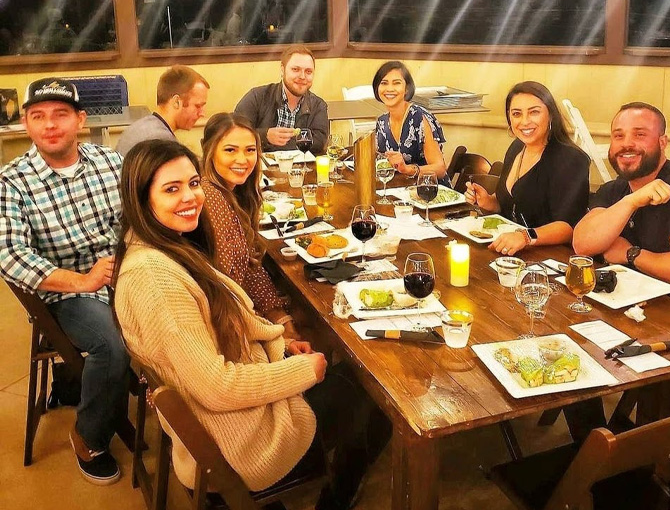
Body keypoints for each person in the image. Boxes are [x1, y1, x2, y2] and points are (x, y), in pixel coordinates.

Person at [113, 140, 391, 509]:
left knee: (355, 374)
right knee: (377, 388)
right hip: (243, 440)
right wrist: (302, 372)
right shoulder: (154, 278)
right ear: (140, 199)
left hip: (233, 417)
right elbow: (216, 387)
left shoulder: (165, 246)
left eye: (193, 183)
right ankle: (337, 497)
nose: (190, 197)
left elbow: (226, 323)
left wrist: (281, 344)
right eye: (171, 189)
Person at [0, 78, 129, 485]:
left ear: (81, 120)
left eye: (60, 114)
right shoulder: (11, 182)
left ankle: (181, 413)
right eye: (38, 116)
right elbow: (9, 255)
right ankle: (89, 436)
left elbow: (137, 216)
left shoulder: (110, 161)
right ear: (26, 124)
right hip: (65, 294)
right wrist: (83, 281)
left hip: (126, 274)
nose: (50, 125)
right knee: (113, 344)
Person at [573, 102, 670, 320]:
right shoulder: (614, 190)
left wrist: (631, 254)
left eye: (640, 134)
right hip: (629, 311)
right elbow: (582, 244)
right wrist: (631, 201)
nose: (626, 144)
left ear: (663, 142)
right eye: (618, 136)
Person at [200, 112, 300, 338]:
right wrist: (276, 338)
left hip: (241, 317)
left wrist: (280, 319)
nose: (242, 160)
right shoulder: (210, 198)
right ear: (209, 151)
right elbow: (226, 290)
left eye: (250, 150)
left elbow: (248, 267)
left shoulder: (235, 194)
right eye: (230, 150)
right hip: (224, 329)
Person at [465, 81, 590, 257]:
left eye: (534, 112)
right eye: (516, 114)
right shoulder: (516, 147)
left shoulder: (571, 159)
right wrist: (488, 201)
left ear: (550, 114)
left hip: (551, 256)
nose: (524, 121)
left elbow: (569, 228)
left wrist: (526, 236)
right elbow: (509, 205)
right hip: (508, 251)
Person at [234, 44, 329, 154]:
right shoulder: (256, 97)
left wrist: (276, 143)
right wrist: (265, 136)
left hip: (302, 164)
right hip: (259, 163)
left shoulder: (318, 106)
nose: (302, 76)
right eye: (295, 69)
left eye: (308, 71)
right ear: (283, 70)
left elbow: (319, 143)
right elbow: (236, 133)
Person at [372, 61, 449, 185]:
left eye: (396, 83)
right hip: (399, 189)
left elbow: (440, 169)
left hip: (430, 189)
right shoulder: (382, 122)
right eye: (384, 83)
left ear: (407, 89)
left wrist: (407, 169)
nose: (389, 89)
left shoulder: (420, 118)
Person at [115, 65, 209, 156]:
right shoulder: (162, 143)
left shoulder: (138, 127)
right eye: (198, 106)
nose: (202, 113)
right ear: (176, 102)